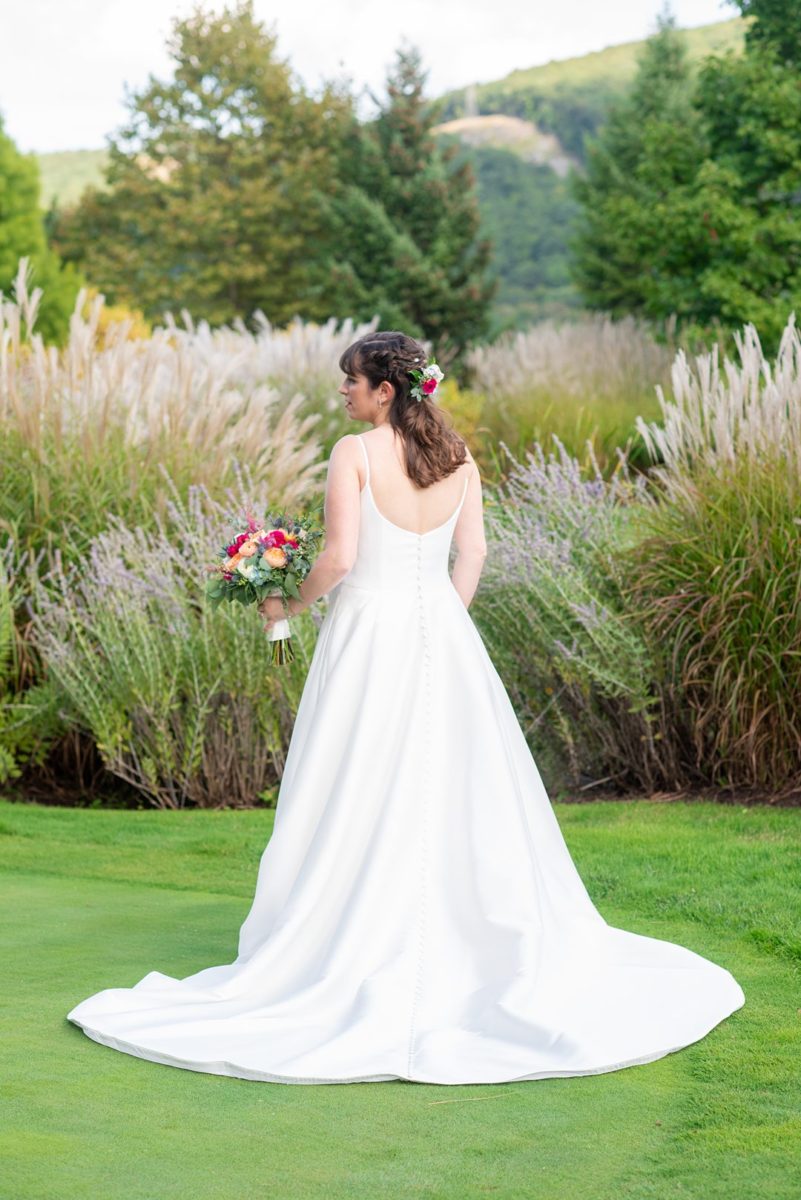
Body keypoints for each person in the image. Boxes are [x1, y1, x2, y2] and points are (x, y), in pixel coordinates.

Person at [67, 330, 744, 1085]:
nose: (342, 393)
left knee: (355, 773)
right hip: (441, 638)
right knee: (453, 784)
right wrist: (440, 622)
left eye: (350, 381)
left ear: (384, 390)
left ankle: (349, 931)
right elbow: (473, 556)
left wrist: (280, 605)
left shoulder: (354, 455)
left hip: (366, 636)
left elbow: (341, 560)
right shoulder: (459, 461)